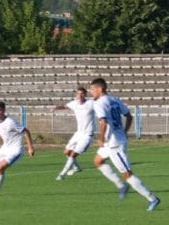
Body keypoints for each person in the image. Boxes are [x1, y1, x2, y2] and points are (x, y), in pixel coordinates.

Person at [89, 78, 160, 210]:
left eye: (92, 89)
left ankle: (152, 199)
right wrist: (125, 131)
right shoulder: (114, 99)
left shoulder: (99, 103)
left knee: (127, 174)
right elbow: (129, 116)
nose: (91, 92)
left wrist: (102, 139)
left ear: (100, 89)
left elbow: (103, 122)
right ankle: (121, 185)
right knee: (97, 161)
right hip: (114, 141)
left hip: (114, 144)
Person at [52, 86, 95, 180]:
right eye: (78, 93)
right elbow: (65, 106)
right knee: (66, 152)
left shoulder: (91, 103)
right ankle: (77, 168)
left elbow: (102, 106)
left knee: (73, 154)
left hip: (88, 135)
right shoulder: (74, 103)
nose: (80, 95)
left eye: (82, 93)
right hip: (78, 133)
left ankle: (62, 174)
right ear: (76, 94)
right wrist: (56, 108)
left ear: (85, 95)